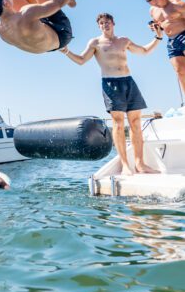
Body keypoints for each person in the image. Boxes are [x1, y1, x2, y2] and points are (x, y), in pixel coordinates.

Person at [62, 12, 161, 175]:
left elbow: (144, 51)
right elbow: (81, 60)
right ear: (99, 26)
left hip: (129, 82)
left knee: (136, 122)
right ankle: (125, 165)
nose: (104, 25)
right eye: (101, 23)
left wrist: (158, 38)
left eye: (107, 22)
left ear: (113, 23)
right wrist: (66, 51)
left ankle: (140, 164)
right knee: (119, 123)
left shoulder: (124, 40)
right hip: (110, 83)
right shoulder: (95, 43)